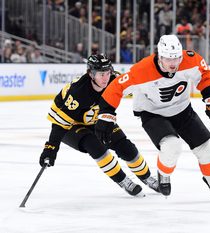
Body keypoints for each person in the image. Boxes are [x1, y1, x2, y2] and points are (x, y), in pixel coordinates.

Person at [95, 35, 210, 201]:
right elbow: (115, 88)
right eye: (168, 58)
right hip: (153, 113)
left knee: (205, 149)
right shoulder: (141, 71)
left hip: (183, 110)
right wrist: (106, 116)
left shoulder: (190, 59)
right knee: (172, 146)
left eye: (177, 58)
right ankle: (164, 174)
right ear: (159, 56)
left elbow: (204, 74)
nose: (173, 63)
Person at [39, 54, 159, 197]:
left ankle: (146, 177)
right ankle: (123, 180)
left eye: (108, 73)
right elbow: (60, 124)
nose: (105, 78)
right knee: (96, 146)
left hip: (96, 120)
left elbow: (135, 87)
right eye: (101, 74)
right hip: (70, 126)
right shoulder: (78, 92)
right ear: (91, 74)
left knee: (126, 148)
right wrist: (51, 148)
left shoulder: (113, 80)